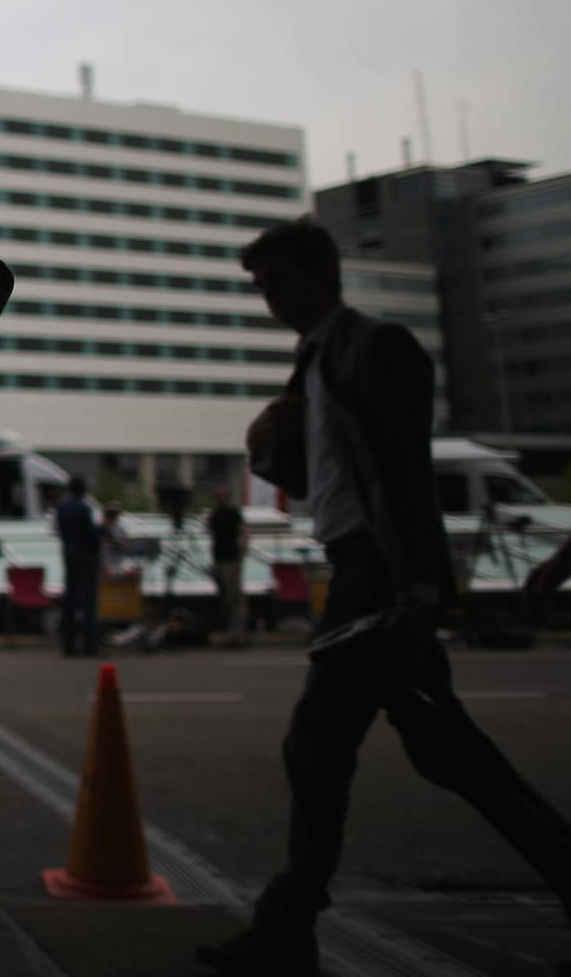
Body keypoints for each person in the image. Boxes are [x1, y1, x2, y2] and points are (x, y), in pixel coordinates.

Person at [198, 217, 571, 977]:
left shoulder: (376, 347)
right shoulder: (313, 364)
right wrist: (264, 447)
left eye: (272, 283)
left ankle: (284, 927)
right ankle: (286, 926)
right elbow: (319, 480)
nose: (266, 300)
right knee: (441, 755)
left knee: (325, 749)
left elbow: (405, 475)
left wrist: (421, 589)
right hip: (354, 565)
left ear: (316, 274)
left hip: (378, 574)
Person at [55, 476, 101, 656]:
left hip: (69, 556)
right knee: (89, 601)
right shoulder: (84, 508)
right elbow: (91, 536)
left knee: (70, 600)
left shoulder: (62, 508)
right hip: (86, 559)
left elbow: (61, 530)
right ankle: (90, 644)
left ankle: (69, 644)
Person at [207, 484, 250, 647]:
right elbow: (212, 535)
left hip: (231, 560)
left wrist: (242, 552)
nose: (220, 498)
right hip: (219, 559)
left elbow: (244, 531)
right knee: (226, 599)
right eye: (218, 495)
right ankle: (232, 634)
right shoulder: (214, 514)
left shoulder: (233, 513)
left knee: (234, 598)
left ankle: (238, 635)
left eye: (223, 495)